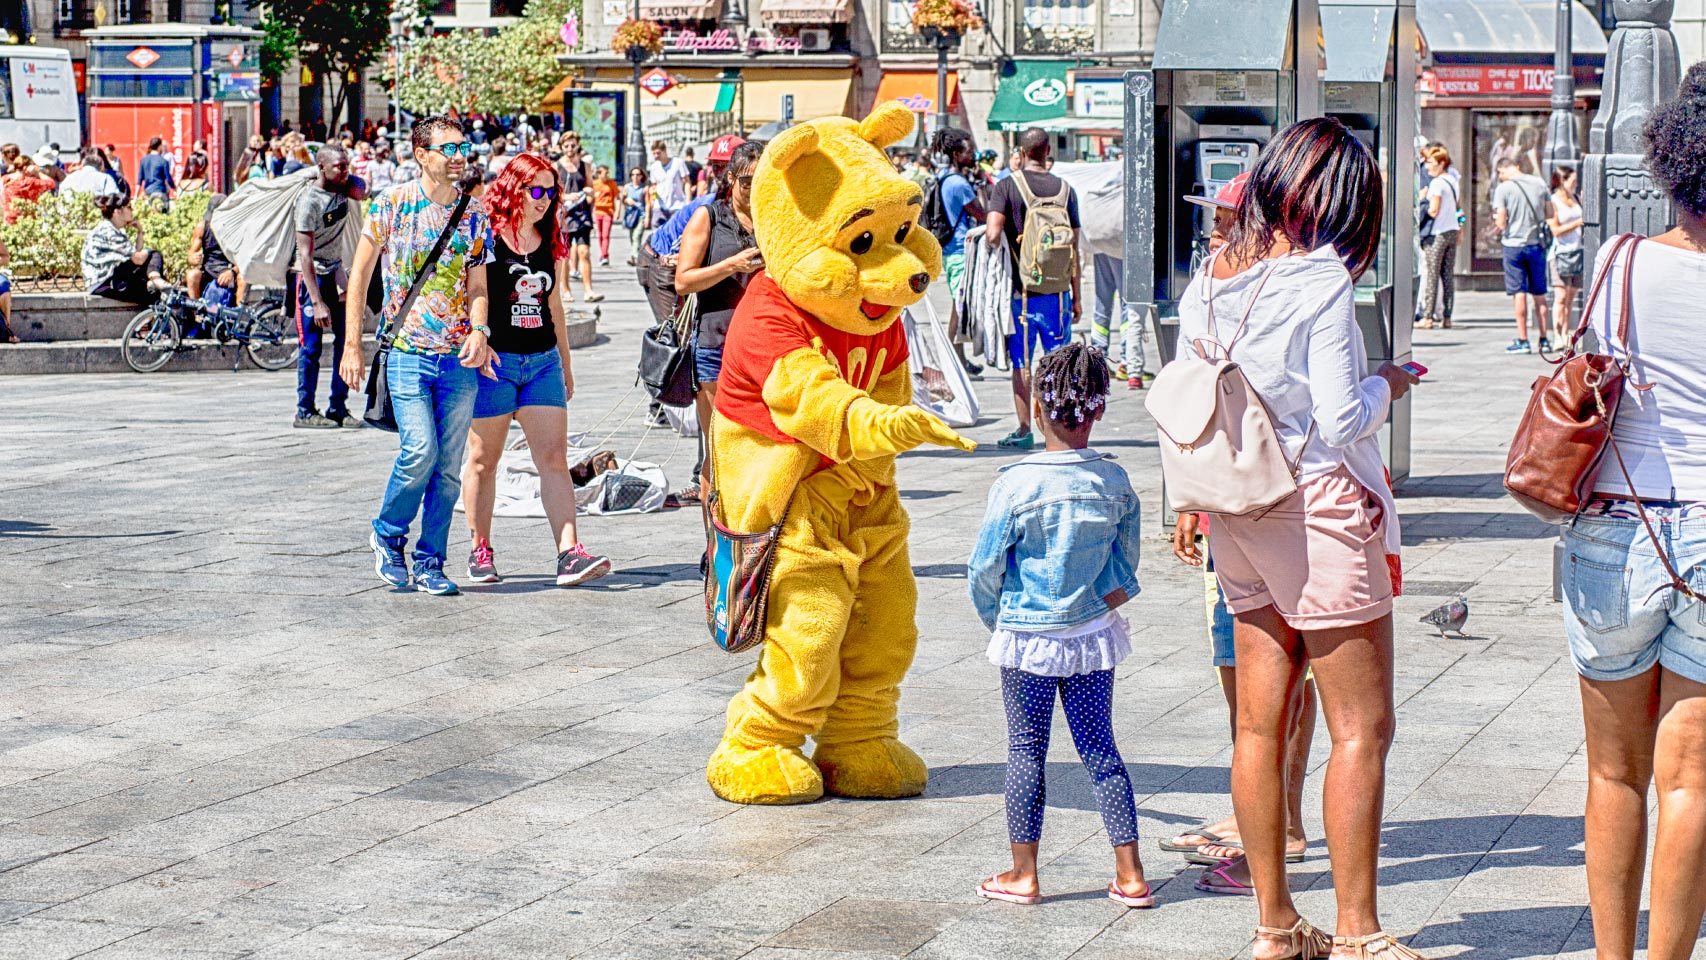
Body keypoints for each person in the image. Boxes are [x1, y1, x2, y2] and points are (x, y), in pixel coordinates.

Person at [1175, 117, 1421, 960]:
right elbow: (1340, 418)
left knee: (1258, 726)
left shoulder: (1212, 276)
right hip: (1314, 510)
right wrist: (1386, 382)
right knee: (1361, 728)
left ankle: (1276, 926)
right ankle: (1357, 932)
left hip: (1236, 508)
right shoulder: (1319, 280)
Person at [1560, 63, 1706, 960]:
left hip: (1616, 530)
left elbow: (1587, 373)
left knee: (1613, 774)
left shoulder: (1619, 261)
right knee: (1691, 783)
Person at [966, 342, 1151, 910]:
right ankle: (1131, 874)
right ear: (1099, 410)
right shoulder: (1113, 479)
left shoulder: (1016, 483)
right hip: (1092, 635)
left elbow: (984, 567)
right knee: (1101, 748)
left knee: (1026, 751)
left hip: (1029, 637)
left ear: (1039, 408)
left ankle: (1024, 873)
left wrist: (999, 619)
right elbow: (1127, 560)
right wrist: (1102, 598)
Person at [339, 116, 496, 597]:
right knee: (420, 450)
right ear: (421, 154)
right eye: (448, 148)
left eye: (462, 147)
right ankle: (388, 534)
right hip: (407, 352)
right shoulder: (392, 204)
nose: (458, 156)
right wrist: (352, 345)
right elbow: (360, 276)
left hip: (458, 359)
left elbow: (478, 286)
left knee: (448, 467)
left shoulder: (474, 213)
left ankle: (430, 561)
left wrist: (481, 330)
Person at [460, 152, 613, 588]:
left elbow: (554, 306)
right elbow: (471, 293)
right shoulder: (487, 235)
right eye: (536, 189)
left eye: (551, 190)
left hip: (542, 361)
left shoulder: (550, 237)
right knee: (483, 460)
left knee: (553, 459)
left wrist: (565, 362)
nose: (544, 199)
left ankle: (569, 553)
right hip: (496, 364)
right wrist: (478, 338)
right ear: (514, 188)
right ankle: (480, 548)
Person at [673, 139, 764, 502]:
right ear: (730, 178)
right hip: (716, 344)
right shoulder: (709, 217)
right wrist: (731, 265)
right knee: (720, 449)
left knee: (759, 447)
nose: (753, 189)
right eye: (746, 181)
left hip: (762, 348)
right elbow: (683, 280)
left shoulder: (774, 218)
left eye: (761, 180)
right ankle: (715, 535)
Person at [984, 127, 1083, 450]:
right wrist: (1077, 297)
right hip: (1059, 295)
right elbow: (1074, 248)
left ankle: (1025, 429)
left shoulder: (1007, 186)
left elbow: (992, 234)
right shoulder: (1066, 190)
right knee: (1059, 363)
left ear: (1022, 152)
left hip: (1022, 295)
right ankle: (1061, 430)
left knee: (1022, 364)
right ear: (1048, 151)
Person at [292, 144, 367, 429]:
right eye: (339, 166)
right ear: (322, 167)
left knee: (345, 341)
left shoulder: (343, 188)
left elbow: (363, 190)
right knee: (311, 347)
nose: (346, 171)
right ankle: (304, 411)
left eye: (347, 165)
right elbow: (305, 255)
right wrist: (317, 302)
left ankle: (338, 406)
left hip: (335, 271)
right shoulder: (309, 201)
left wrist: (347, 176)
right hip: (311, 278)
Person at [927, 126, 986, 377]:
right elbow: (983, 214)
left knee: (958, 307)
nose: (972, 155)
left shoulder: (945, 178)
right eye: (968, 151)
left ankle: (959, 360)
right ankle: (953, 361)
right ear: (957, 155)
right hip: (961, 252)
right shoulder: (959, 184)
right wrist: (981, 183)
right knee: (960, 309)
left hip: (952, 251)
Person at [1492, 157, 1553, 354]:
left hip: (1513, 246)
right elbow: (1550, 213)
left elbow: (1501, 222)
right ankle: (1544, 339)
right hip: (1536, 245)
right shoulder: (1539, 183)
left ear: (1503, 170)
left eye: (1500, 174)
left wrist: (1498, 222)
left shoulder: (1504, 188)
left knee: (1519, 293)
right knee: (1540, 294)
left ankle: (1523, 340)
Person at [82, 194, 170, 304]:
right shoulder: (109, 232)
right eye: (129, 207)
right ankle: (156, 280)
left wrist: (140, 232)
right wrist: (150, 252)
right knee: (154, 254)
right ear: (118, 212)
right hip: (105, 283)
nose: (132, 210)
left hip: (106, 281)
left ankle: (156, 282)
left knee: (155, 293)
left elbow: (135, 255)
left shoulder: (110, 228)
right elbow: (139, 259)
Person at [1416, 145, 1461, 331]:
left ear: (1442, 163)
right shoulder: (1453, 180)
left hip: (1436, 234)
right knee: (1447, 276)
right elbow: (1458, 208)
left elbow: (1433, 210)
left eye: (1431, 163)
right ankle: (1447, 317)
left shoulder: (1436, 183)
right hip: (1452, 230)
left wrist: (1421, 200)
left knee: (1432, 275)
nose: (1427, 167)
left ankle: (1427, 317)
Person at [556, 144, 600, 302]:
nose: (570, 148)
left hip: (582, 216)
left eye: (573, 145)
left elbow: (590, 190)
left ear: (577, 146)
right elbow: (553, 192)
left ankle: (588, 290)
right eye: (566, 145)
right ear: (562, 147)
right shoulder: (556, 166)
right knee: (565, 257)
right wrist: (567, 197)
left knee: (584, 252)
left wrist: (589, 194)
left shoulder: (585, 166)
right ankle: (566, 290)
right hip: (564, 216)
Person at [1548, 165, 1584, 344]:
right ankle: (1557, 336)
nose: (1575, 184)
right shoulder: (1552, 202)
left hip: (1577, 251)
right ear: (1563, 181)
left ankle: (1565, 333)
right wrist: (1577, 223)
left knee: (1570, 298)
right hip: (1560, 253)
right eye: (1573, 181)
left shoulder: (1576, 198)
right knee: (1561, 296)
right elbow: (1555, 230)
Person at [185, 193, 242, 307]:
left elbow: (245, 258)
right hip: (209, 270)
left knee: (243, 279)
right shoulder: (203, 227)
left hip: (230, 269)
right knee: (192, 275)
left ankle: (239, 314)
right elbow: (191, 254)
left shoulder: (237, 229)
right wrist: (193, 258)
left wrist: (232, 272)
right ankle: (198, 313)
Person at [2, 156, 56, 222]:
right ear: (26, 168)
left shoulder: (5, 179)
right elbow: (51, 183)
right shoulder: (30, 182)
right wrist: (37, 172)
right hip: (28, 220)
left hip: (9, 219)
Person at [647, 140, 690, 222]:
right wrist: (653, 198)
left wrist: (688, 202)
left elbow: (687, 182)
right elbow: (654, 186)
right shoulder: (653, 167)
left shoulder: (678, 162)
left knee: (677, 230)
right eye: (654, 154)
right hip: (659, 207)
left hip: (677, 206)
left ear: (665, 151)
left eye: (658, 153)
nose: (656, 156)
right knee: (656, 229)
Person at [590, 164, 620, 267]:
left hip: (608, 212)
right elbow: (591, 200)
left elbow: (617, 198)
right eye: (604, 173)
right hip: (598, 212)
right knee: (600, 235)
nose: (606, 175)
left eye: (607, 173)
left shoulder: (612, 183)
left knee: (606, 235)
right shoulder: (595, 184)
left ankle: (604, 256)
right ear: (599, 173)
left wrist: (617, 211)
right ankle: (603, 254)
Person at [622, 167, 651, 267]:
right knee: (632, 237)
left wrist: (647, 217)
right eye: (633, 174)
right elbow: (623, 200)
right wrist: (626, 200)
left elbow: (647, 203)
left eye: (638, 174)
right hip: (630, 215)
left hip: (641, 215)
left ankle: (634, 256)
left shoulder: (644, 188)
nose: (635, 177)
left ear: (641, 176)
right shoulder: (627, 187)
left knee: (637, 235)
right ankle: (636, 256)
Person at [138, 138, 175, 204]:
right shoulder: (163, 161)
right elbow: (168, 179)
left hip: (148, 192)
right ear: (159, 147)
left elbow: (139, 180)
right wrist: (175, 188)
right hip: (160, 191)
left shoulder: (143, 160)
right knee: (163, 209)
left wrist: (136, 195)